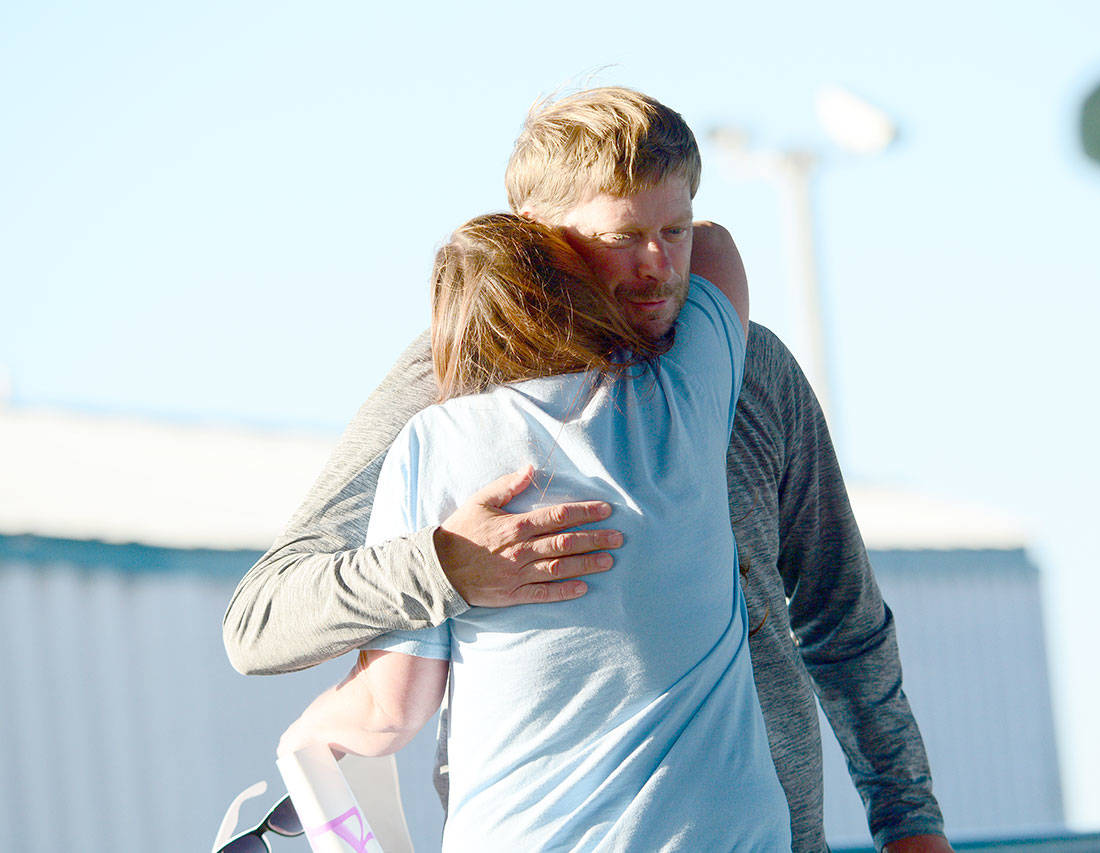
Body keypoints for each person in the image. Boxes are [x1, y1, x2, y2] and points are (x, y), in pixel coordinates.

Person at [223, 86, 952, 853]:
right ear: (538, 243)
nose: (657, 266)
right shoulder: (440, 389)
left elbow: (842, 617)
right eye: (620, 237)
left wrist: (910, 820)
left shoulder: (746, 365)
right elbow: (260, 624)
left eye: (675, 228)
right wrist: (444, 565)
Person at [277, 210, 790, 849]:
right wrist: (582, 231)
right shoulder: (682, 396)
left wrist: (304, 735)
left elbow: (391, 710)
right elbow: (713, 242)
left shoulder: (434, 443)